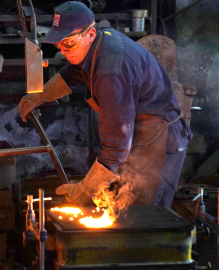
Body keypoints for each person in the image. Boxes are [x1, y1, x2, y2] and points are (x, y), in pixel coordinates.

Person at [18, 1, 192, 208]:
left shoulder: (111, 71)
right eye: (59, 45)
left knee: (147, 217)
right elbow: (74, 71)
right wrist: (39, 96)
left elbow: (116, 145)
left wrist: (83, 190)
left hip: (160, 141)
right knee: (121, 206)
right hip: (140, 134)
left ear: (90, 34)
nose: (63, 51)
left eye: (69, 44)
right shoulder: (101, 39)